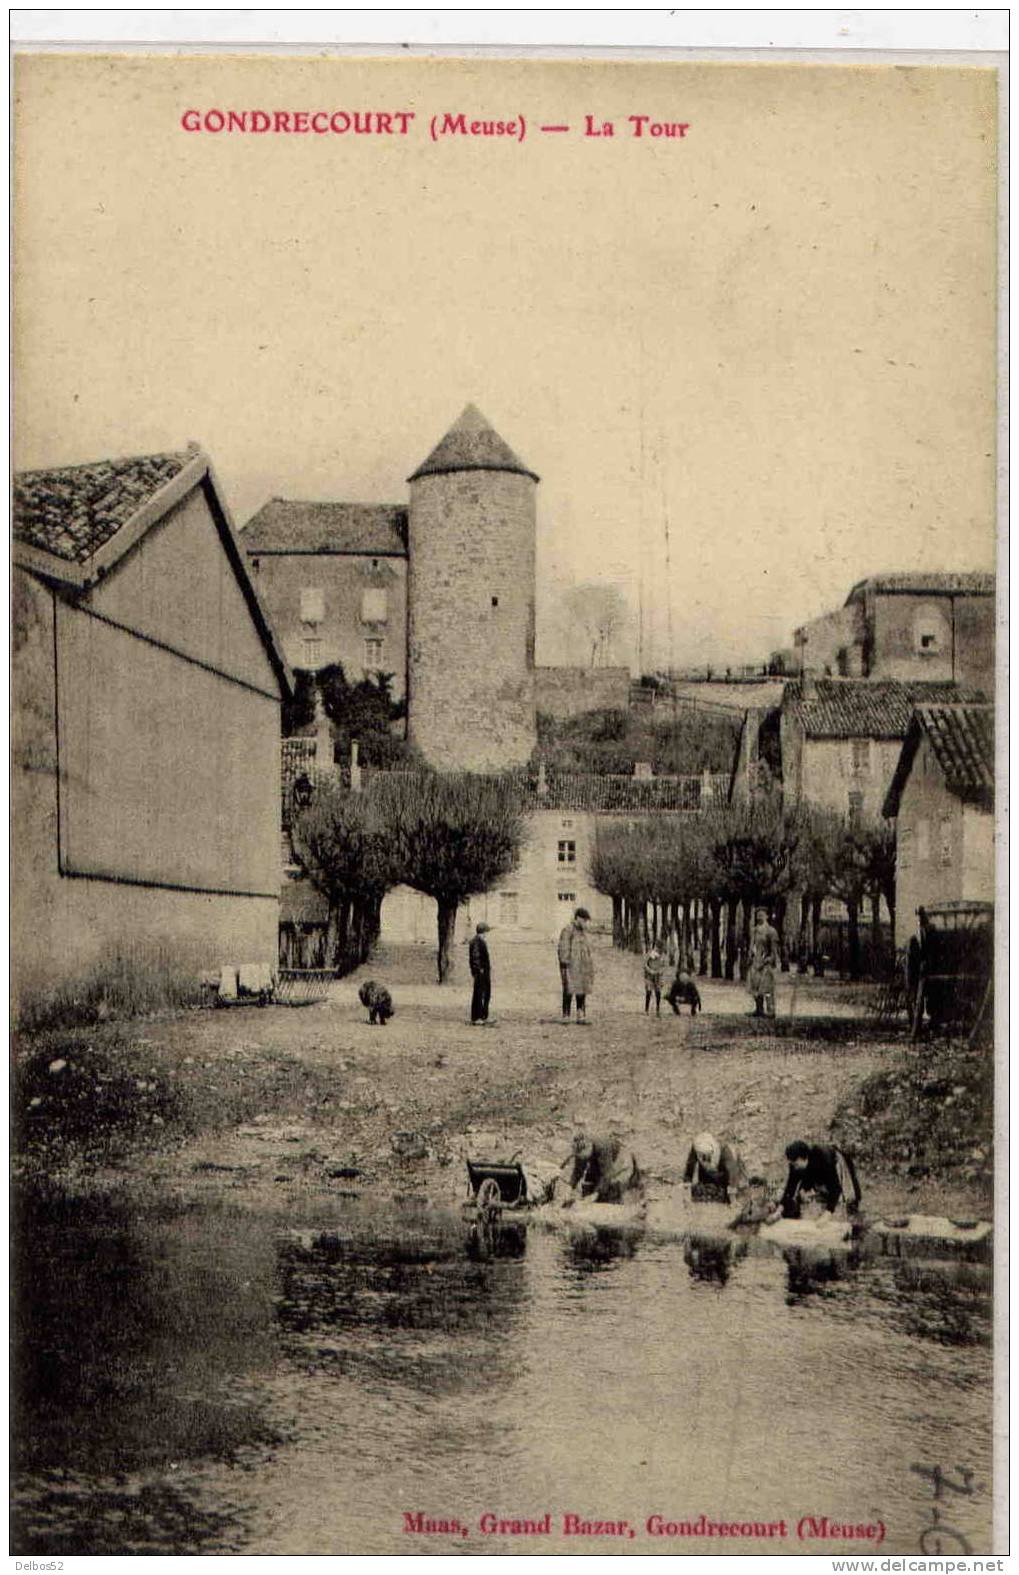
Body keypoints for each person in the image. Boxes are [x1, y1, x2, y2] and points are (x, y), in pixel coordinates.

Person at [779, 1140, 862, 1219]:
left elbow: (835, 1188)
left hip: (835, 1162)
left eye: (796, 1164)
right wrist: (779, 1210)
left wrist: (828, 1213)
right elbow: (790, 1187)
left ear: (803, 1158)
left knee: (844, 1198)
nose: (794, 1167)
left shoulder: (823, 1158)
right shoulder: (795, 1165)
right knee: (806, 1194)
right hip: (814, 1170)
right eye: (793, 1164)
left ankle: (851, 1215)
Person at [560, 1130, 641, 1205]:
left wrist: (595, 1195)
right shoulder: (580, 1149)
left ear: (589, 1146)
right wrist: (569, 1188)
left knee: (612, 1185)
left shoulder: (602, 1146)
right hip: (599, 1157)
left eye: (583, 1156)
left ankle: (617, 1200)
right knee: (590, 1181)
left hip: (618, 1158)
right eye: (580, 1157)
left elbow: (606, 1174)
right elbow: (577, 1171)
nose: (582, 1159)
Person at [682, 1130, 746, 1203]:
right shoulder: (696, 1149)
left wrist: (732, 1198)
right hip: (708, 1177)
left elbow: (732, 1171)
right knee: (701, 1194)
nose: (704, 1159)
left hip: (726, 1176)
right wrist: (687, 1190)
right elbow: (690, 1168)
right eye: (701, 1156)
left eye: (706, 1156)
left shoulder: (724, 1150)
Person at [558, 906, 594, 1024]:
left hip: (582, 967)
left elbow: (588, 949)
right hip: (571, 966)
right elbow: (563, 947)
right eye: (584, 920)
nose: (585, 923)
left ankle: (580, 1015)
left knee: (582, 990)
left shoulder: (583, 933)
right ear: (578, 918)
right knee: (568, 989)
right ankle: (566, 1015)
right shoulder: (568, 930)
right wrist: (565, 963)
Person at [747, 907, 781, 1018]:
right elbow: (752, 945)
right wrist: (750, 956)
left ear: (767, 916)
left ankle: (771, 1011)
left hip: (766, 962)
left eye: (762, 914)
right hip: (756, 961)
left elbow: (774, 950)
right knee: (756, 986)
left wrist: (770, 960)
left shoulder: (771, 931)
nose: (759, 916)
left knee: (767, 987)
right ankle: (759, 1009)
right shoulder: (755, 930)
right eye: (758, 914)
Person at [468, 921, 493, 1024]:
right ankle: (477, 1017)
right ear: (483, 932)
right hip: (480, 972)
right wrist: (479, 969)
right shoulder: (476, 942)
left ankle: (483, 1016)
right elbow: (475, 957)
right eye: (486, 932)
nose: (486, 935)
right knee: (479, 994)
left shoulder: (479, 941)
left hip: (483, 971)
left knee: (485, 994)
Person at [643, 941, 667, 1015]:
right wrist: (650, 970)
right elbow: (644, 965)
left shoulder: (663, 956)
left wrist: (660, 971)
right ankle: (646, 1009)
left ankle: (657, 1008)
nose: (658, 950)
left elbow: (664, 966)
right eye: (657, 948)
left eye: (660, 948)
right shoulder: (650, 954)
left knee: (658, 992)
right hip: (649, 976)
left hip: (658, 976)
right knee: (649, 992)